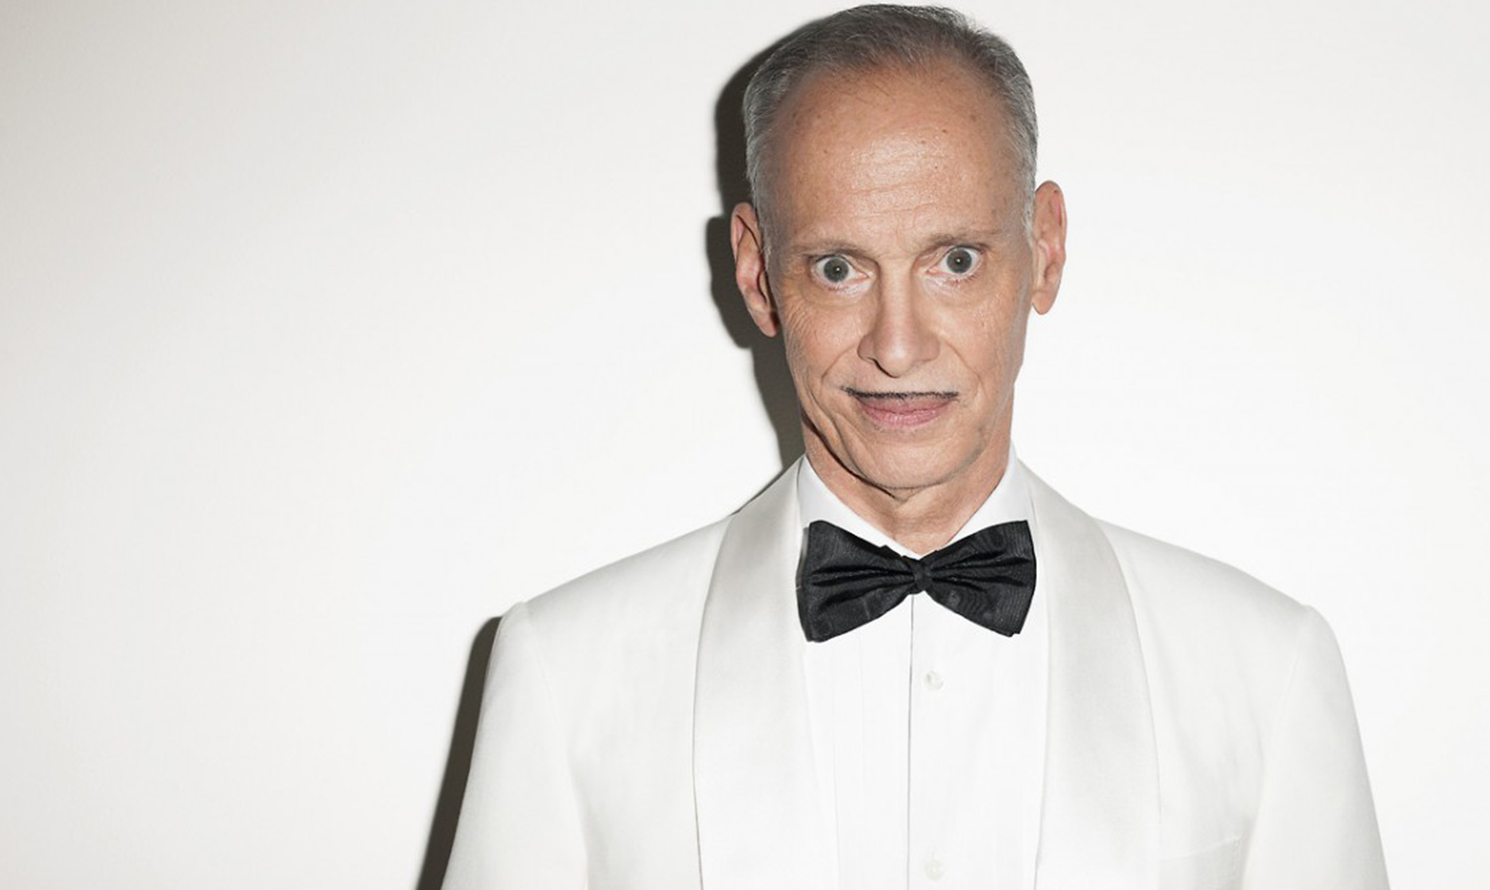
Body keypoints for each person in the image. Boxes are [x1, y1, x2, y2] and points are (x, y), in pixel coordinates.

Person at [442, 5, 1388, 889]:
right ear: (758, 275)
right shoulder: (563, 675)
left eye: (955, 261)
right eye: (838, 268)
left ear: (1046, 249)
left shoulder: (1267, 670)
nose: (897, 346)